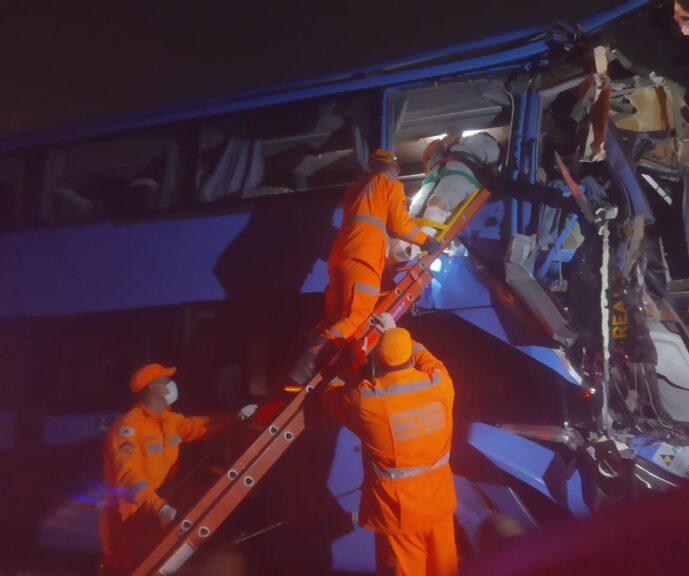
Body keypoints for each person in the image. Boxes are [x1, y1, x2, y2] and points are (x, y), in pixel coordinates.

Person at [288, 149, 442, 386]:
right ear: (393, 168)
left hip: (341, 258)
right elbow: (400, 226)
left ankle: (307, 353)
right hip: (364, 258)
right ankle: (306, 366)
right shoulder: (389, 183)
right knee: (358, 316)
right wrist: (426, 241)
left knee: (337, 318)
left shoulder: (356, 188)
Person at [323, 313, 458, 576]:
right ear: (410, 358)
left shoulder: (367, 401)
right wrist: (396, 332)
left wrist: (342, 370)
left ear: (377, 363)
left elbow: (330, 394)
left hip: (399, 516)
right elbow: (429, 359)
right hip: (439, 505)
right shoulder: (442, 385)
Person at [99, 363, 258, 574]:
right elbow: (129, 479)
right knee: (131, 568)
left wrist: (235, 417)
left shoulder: (168, 421)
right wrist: (159, 508)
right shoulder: (128, 428)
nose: (172, 384)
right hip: (129, 520)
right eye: (166, 380)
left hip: (157, 512)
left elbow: (200, 426)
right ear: (154, 388)